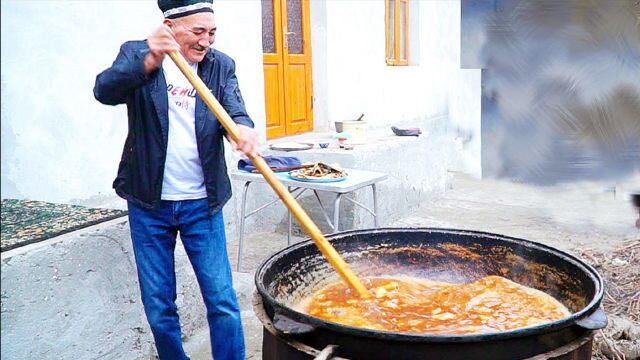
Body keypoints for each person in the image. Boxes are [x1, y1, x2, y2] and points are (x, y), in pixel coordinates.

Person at [93, 1, 258, 359]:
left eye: (212, 32)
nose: (206, 42)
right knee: (159, 306)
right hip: (149, 204)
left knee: (222, 300)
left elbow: (236, 109)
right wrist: (149, 61)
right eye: (198, 32)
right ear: (170, 26)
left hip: (203, 203)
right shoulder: (138, 53)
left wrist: (243, 129)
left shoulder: (220, 65)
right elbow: (104, 91)